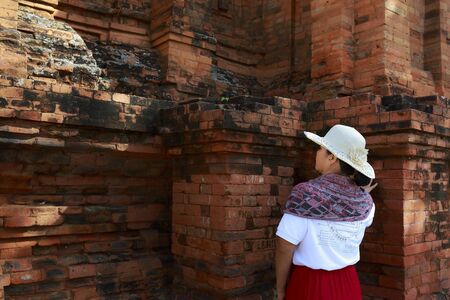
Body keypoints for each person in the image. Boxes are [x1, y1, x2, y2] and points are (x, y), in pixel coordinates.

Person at [275, 124, 379, 300]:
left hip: (310, 285)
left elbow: (284, 247)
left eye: (320, 149)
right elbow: (347, 211)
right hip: (349, 284)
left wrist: (280, 288)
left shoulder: (306, 195)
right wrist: (362, 194)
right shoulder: (365, 203)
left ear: (332, 157)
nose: (316, 153)